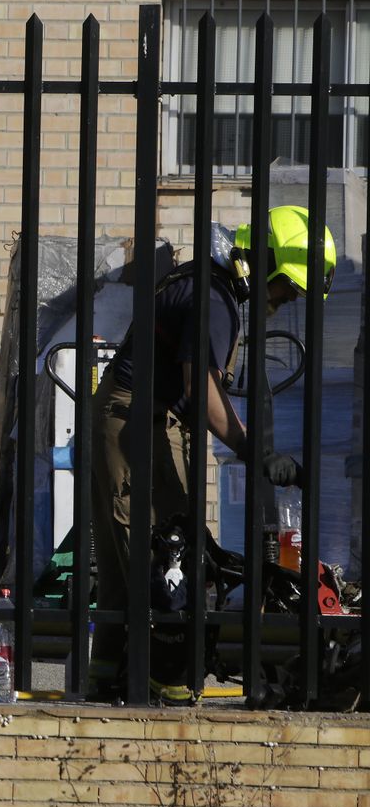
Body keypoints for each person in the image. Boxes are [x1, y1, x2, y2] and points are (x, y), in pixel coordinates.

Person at [88, 205, 333, 703]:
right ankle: (162, 687)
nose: (287, 300)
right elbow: (199, 389)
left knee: (132, 564)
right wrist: (254, 451)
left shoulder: (207, 284)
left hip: (140, 417)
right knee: (166, 559)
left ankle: (107, 681)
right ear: (266, 262)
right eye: (288, 287)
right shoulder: (214, 299)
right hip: (137, 423)